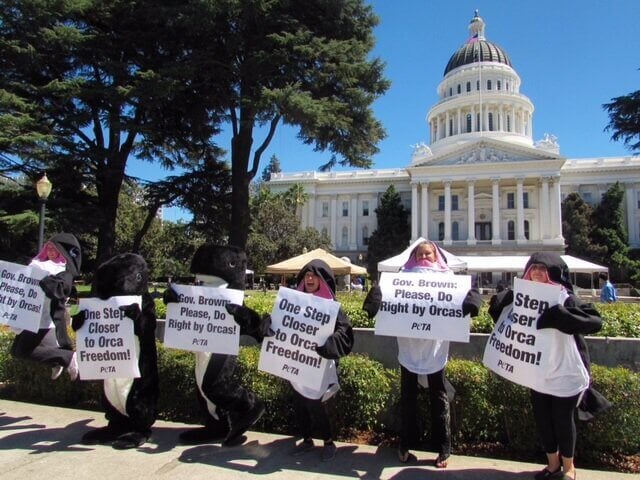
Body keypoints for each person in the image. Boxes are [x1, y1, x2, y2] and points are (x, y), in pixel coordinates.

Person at [488, 252, 610, 480]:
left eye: (543, 269)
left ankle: (569, 467)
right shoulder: (522, 296)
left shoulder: (565, 298)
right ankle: (552, 464)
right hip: (536, 371)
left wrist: (561, 316)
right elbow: (499, 313)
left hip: (563, 370)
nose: (537, 272)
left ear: (552, 273)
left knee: (563, 421)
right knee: (542, 419)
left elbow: (594, 321)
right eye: (534, 268)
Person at [362, 240, 481, 468]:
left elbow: (469, 294)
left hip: (435, 350)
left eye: (429, 253)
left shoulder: (448, 279)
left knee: (439, 399)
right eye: (420, 253)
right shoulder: (401, 278)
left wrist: (471, 301)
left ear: (437, 257)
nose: (425, 257)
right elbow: (380, 298)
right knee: (408, 400)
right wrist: (375, 299)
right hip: (408, 348)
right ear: (413, 257)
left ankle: (443, 449)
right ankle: (405, 445)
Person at [288, 259, 354, 462]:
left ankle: (328, 442)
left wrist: (331, 344)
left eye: (314, 275)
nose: (309, 278)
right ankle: (307, 440)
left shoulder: (331, 306)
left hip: (320, 364)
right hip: (297, 361)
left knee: (315, 403)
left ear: (322, 280)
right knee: (299, 403)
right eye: (306, 275)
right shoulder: (293, 303)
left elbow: (345, 331)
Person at [11, 233, 82, 381]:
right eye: (48, 248)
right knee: (17, 351)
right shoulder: (39, 264)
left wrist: (42, 278)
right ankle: (58, 360)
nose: (50, 251)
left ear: (61, 251)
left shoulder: (64, 271)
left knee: (23, 351)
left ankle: (67, 358)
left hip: (45, 318)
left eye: (53, 248)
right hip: (31, 315)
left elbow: (59, 290)